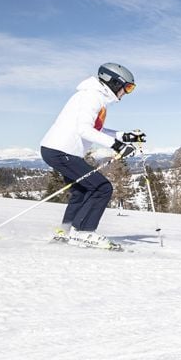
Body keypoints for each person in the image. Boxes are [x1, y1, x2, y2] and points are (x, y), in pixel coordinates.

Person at [40, 63, 145, 249]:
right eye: (127, 87)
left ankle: (65, 232)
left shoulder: (95, 97)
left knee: (81, 191)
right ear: (113, 82)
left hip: (57, 150)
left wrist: (124, 136)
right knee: (102, 188)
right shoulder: (92, 97)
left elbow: (97, 129)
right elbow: (84, 130)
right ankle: (83, 232)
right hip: (61, 151)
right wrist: (118, 146)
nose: (127, 93)